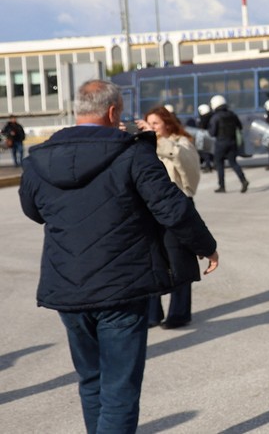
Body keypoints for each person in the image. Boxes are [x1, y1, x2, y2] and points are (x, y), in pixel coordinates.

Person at [18, 80, 219, 433]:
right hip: (122, 287)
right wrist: (205, 245)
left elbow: (33, 210)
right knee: (119, 388)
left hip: (67, 286)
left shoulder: (39, 160)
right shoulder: (132, 153)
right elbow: (172, 209)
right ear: (113, 112)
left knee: (91, 380)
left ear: (79, 110)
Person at [136, 106, 203, 329]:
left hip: (176, 206)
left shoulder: (182, 142)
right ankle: (153, 312)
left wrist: (158, 140)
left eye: (155, 123)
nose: (152, 128)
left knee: (179, 261)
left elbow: (188, 170)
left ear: (166, 123)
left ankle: (180, 312)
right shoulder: (144, 146)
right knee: (151, 261)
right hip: (150, 208)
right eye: (148, 124)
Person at [208, 94, 249, 193]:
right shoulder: (232, 114)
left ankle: (222, 186)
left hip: (221, 143)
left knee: (219, 164)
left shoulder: (215, 117)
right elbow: (240, 127)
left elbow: (212, 133)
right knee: (233, 163)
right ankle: (243, 180)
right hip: (232, 142)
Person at [197, 103, 215, 172]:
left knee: (205, 152)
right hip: (212, 137)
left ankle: (208, 166)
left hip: (207, 137)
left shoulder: (204, 119)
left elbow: (201, 128)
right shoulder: (212, 116)